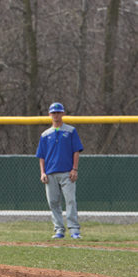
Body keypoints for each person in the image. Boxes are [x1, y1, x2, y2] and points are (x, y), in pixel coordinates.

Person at [36, 102, 84, 239]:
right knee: (53, 202)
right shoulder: (45, 134)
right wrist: (42, 172)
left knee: (70, 201)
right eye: (53, 113)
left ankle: (74, 230)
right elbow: (41, 156)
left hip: (67, 172)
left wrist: (74, 169)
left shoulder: (70, 131)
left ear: (63, 114)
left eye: (58, 112)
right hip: (50, 173)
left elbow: (76, 151)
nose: (56, 115)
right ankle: (59, 229)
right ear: (49, 114)